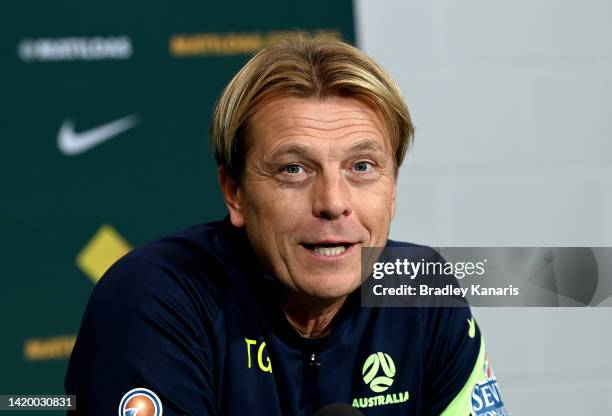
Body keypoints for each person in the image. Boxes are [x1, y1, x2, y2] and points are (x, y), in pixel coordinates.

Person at [65, 33, 506, 416]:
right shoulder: (154, 297)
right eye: (294, 169)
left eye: (362, 166)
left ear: (392, 189)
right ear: (234, 191)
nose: (333, 203)